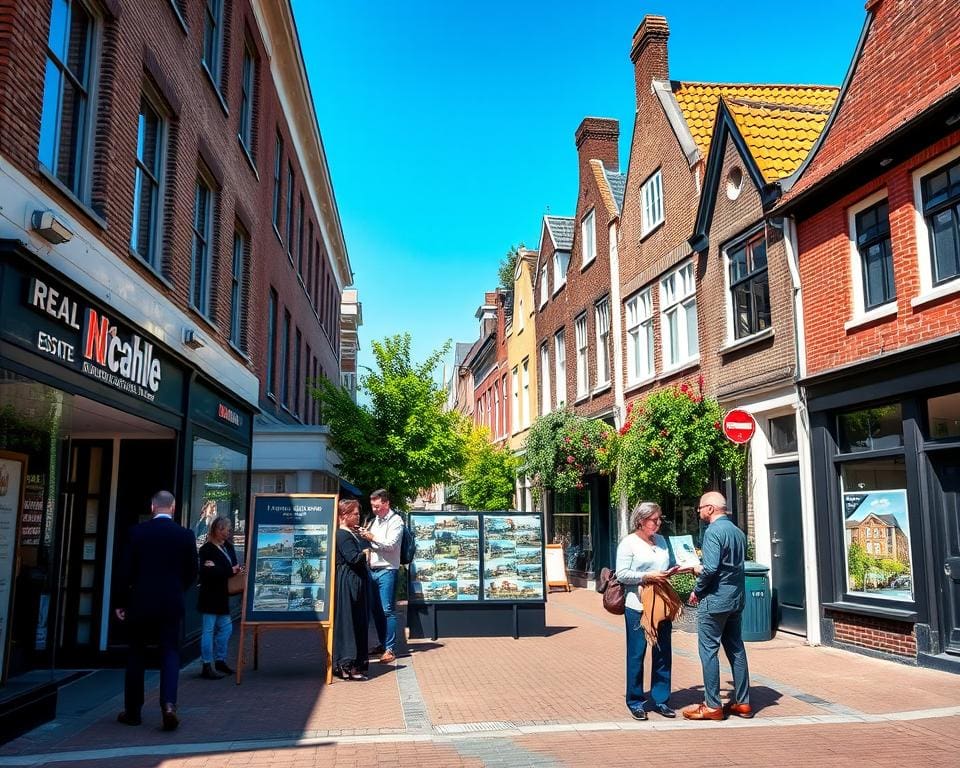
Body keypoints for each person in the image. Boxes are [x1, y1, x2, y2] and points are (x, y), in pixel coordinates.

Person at [115, 490, 198, 731]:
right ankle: (169, 704)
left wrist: (121, 602)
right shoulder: (185, 535)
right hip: (171, 601)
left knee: (136, 653)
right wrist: (177, 589)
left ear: (152, 507)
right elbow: (192, 572)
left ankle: (133, 712)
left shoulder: (137, 532)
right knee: (170, 652)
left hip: (140, 601)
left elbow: (125, 570)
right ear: (172, 508)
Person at [683, 490, 753, 721]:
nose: (699, 511)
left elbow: (711, 568)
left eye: (701, 507)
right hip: (736, 599)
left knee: (709, 651)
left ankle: (712, 705)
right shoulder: (737, 532)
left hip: (715, 600)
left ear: (711, 508)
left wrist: (697, 589)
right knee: (736, 649)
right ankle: (743, 702)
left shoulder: (713, 532)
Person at [615, 501, 683, 720]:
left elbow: (668, 564)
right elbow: (622, 574)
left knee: (663, 652)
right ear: (641, 521)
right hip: (638, 605)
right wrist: (645, 576)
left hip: (661, 603)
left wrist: (679, 569)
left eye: (660, 518)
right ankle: (635, 700)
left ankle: (661, 699)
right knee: (637, 654)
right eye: (655, 519)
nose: (658, 523)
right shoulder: (629, 543)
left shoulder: (662, 541)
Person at [355, 489, 403, 663]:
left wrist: (371, 537)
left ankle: (390, 649)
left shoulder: (396, 521)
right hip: (373, 569)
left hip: (387, 569)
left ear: (386, 503)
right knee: (376, 611)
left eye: (377, 506)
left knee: (387, 609)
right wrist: (364, 535)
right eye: (372, 506)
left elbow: (390, 545)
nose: (374, 509)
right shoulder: (375, 520)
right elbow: (372, 543)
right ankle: (383, 644)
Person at [197, 516, 241, 680]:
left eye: (229, 530)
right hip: (209, 594)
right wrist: (228, 570)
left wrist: (224, 569)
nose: (228, 533)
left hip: (223, 594)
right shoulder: (206, 549)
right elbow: (208, 572)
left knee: (227, 628)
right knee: (208, 629)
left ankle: (220, 659)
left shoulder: (228, 547)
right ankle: (207, 664)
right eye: (226, 530)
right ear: (217, 530)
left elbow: (233, 566)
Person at [332, 499, 371, 680]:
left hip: (353, 580)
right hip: (348, 582)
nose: (358, 517)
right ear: (344, 516)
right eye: (355, 514)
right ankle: (347, 665)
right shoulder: (343, 535)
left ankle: (352, 665)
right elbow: (353, 558)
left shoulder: (350, 533)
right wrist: (365, 553)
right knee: (350, 621)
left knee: (356, 620)